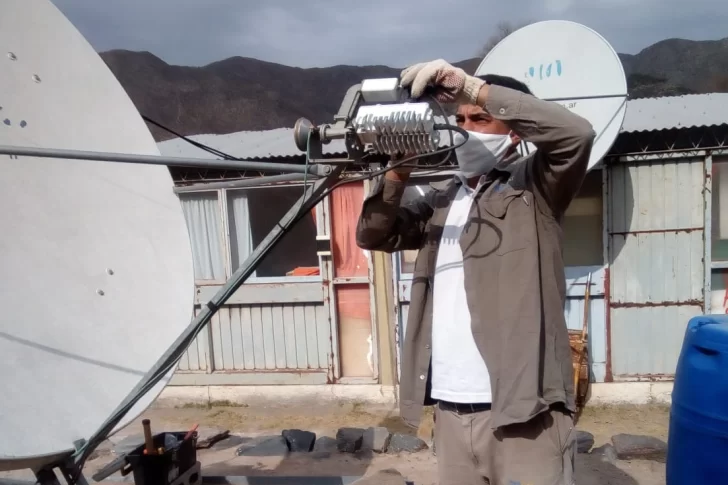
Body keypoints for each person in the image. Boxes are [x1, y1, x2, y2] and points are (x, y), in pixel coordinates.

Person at [355, 59, 596, 485]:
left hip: (525, 412)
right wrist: (397, 170)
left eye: (480, 118)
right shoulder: (441, 200)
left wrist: (471, 87)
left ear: (513, 129)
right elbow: (374, 235)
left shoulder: (534, 187)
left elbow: (576, 135)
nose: (466, 127)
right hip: (450, 410)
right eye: (460, 118)